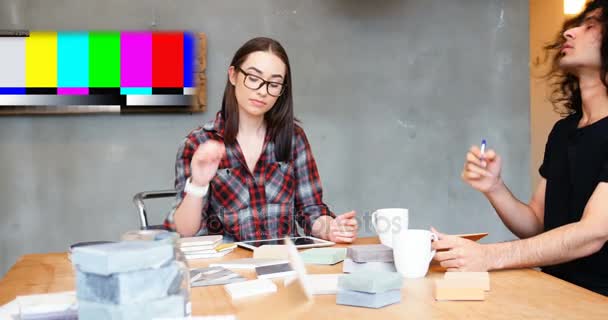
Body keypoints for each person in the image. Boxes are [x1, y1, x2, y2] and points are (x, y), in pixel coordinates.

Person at [433, 1, 608, 296]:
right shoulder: (564, 131)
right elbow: (537, 225)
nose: (569, 33)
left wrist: (490, 256)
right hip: (556, 291)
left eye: (590, 25)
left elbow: (593, 232)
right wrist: (495, 187)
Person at [164, 37, 358, 244]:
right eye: (254, 78)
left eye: (274, 84)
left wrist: (330, 228)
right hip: (229, 268)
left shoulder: (293, 138)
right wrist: (198, 185)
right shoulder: (199, 143)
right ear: (233, 75)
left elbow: (310, 209)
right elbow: (185, 233)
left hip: (285, 263)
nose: (262, 91)